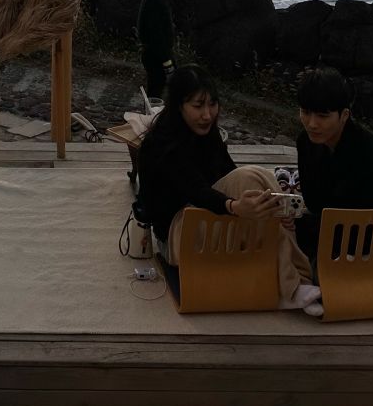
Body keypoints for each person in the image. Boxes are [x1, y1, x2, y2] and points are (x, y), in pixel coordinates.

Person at [137, 65, 321, 313]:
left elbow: (229, 175)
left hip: (207, 220)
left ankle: (294, 283)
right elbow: (196, 189)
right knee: (250, 178)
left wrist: (273, 208)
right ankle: (293, 285)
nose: (207, 114)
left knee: (258, 179)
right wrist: (234, 206)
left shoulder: (207, 134)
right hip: (177, 236)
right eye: (198, 106)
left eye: (212, 104)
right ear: (178, 106)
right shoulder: (161, 145)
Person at [294, 66, 373, 271]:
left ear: (344, 115)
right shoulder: (307, 142)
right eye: (305, 112)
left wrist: (300, 226)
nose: (312, 124)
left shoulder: (366, 153)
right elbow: (315, 203)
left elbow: (357, 221)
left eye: (322, 115)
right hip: (342, 230)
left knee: (307, 271)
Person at [137, 0, 176, 99]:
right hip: (156, 55)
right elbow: (155, 35)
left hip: (159, 53)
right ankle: (152, 119)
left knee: (159, 90)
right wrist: (167, 62)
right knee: (156, 92)